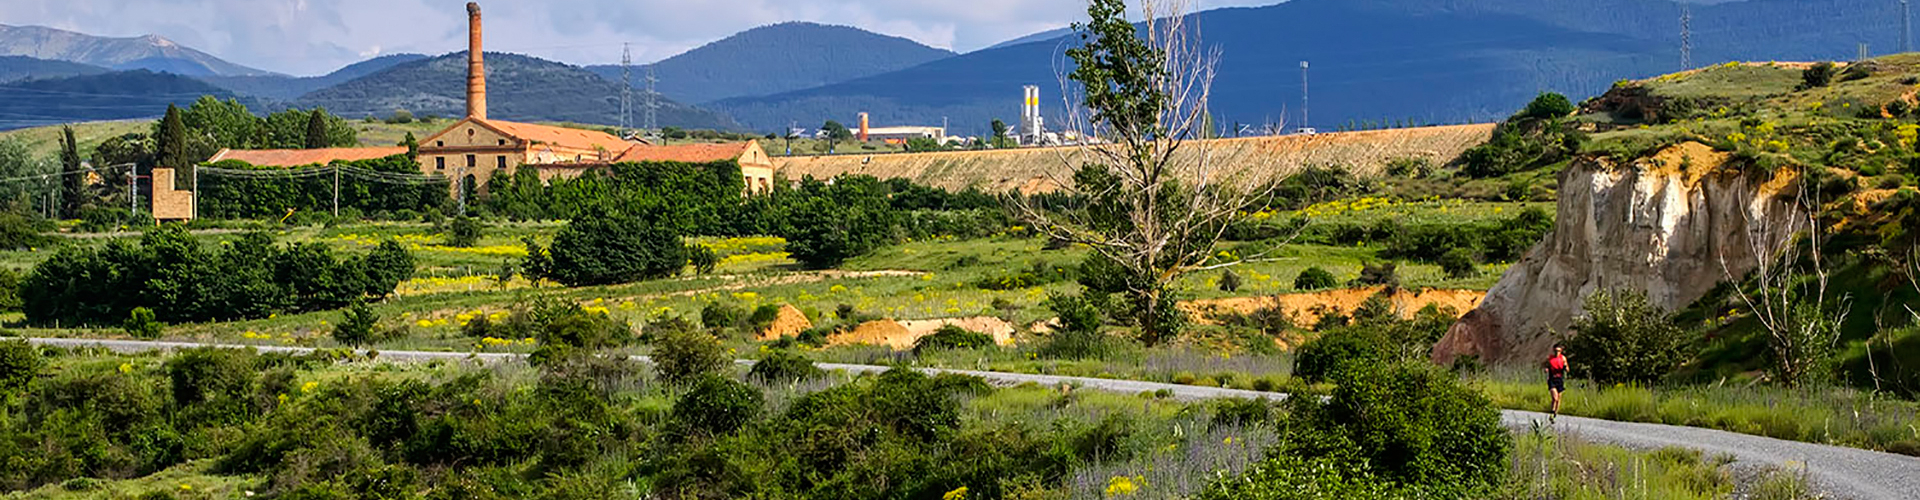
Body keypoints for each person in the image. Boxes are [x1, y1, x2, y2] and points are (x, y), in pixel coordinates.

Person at [1544, 343, 1569, 418]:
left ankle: (1555, 413)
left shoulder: (1563, 358)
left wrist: (1565, 367)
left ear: (1561, 351)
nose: (1557, 352)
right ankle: (1551, 411)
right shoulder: (1550, 358)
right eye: (1555, 350)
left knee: (1558, 399)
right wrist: (1546, 369)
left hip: (1560, 379)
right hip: (1552, 379)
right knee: (1555, 398)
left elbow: (1568, 369)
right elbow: (1546, 366)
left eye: (1558, 351)